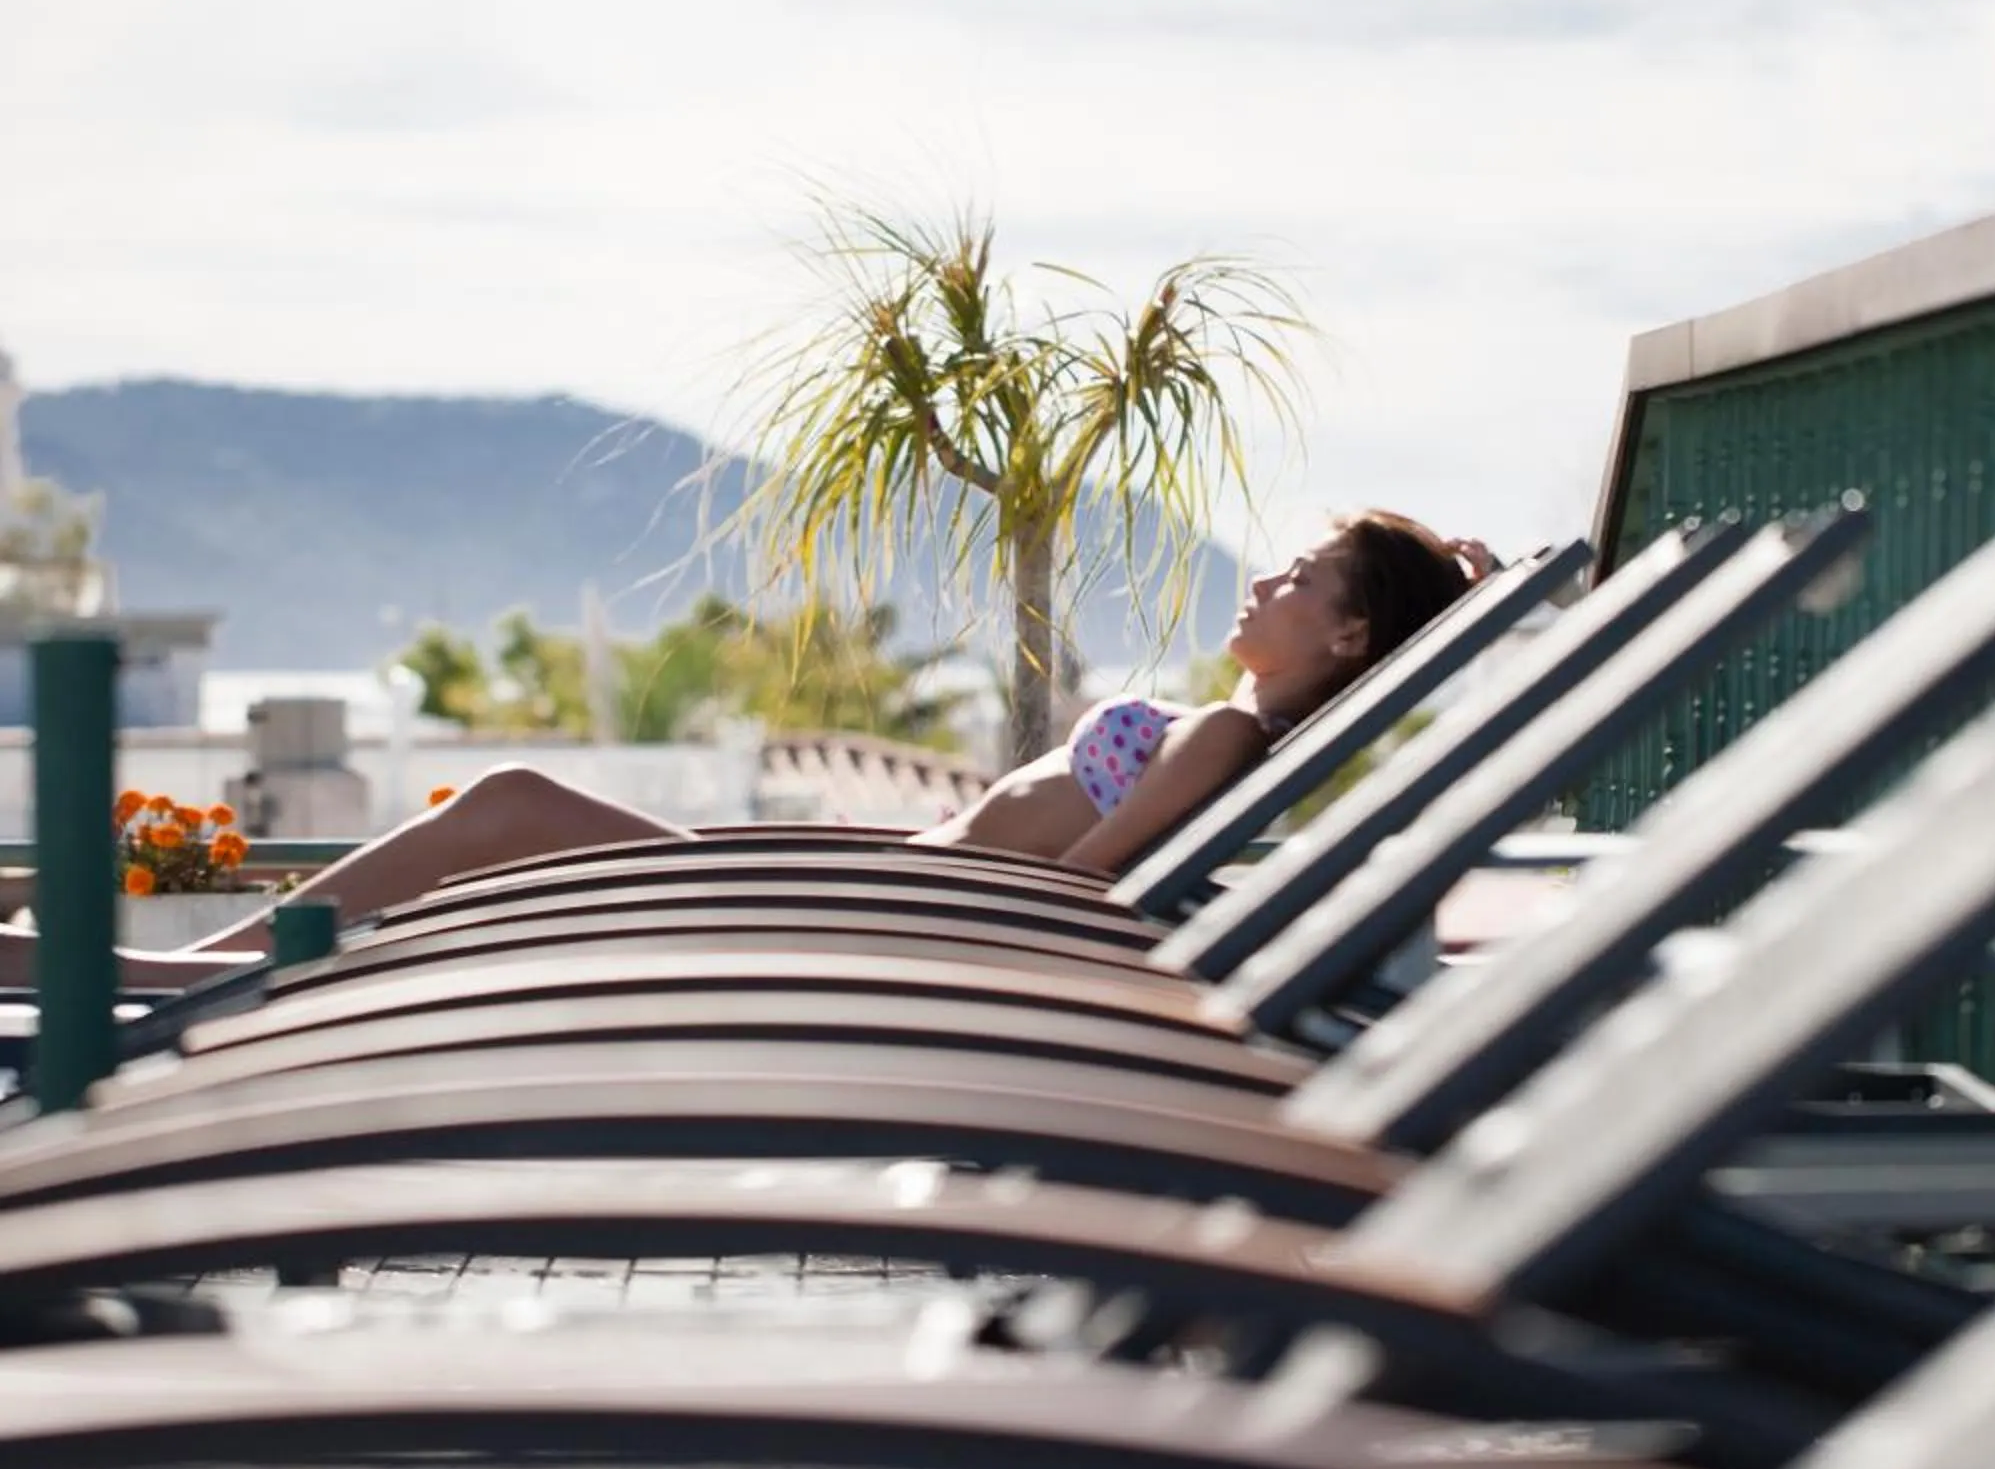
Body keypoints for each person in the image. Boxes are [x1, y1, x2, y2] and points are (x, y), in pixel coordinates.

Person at [0, 510, 1489, 989]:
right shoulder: (1229, 726)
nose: (1265, 581)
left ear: (1349, 640)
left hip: (870, 926)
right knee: (518, 830)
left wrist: (860, 877)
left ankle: (184, 981)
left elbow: (1078, 896)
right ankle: (195, 977)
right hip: (866, 890)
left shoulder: (1224, 732)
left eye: (1300, 579)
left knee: (517, 803)